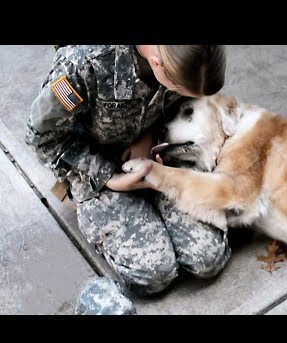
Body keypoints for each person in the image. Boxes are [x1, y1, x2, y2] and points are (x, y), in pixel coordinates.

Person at [25, 45, 231, 314]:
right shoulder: (86, 63)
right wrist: (108, 177)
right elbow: (41, 135)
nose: (180, 95)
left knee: (208, 258)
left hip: (157, 149)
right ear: (156, 63)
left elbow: (185, 102)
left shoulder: (190, 55)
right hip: (98, 165)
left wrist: (150, 138)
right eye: (178, 89)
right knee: (154, 274)